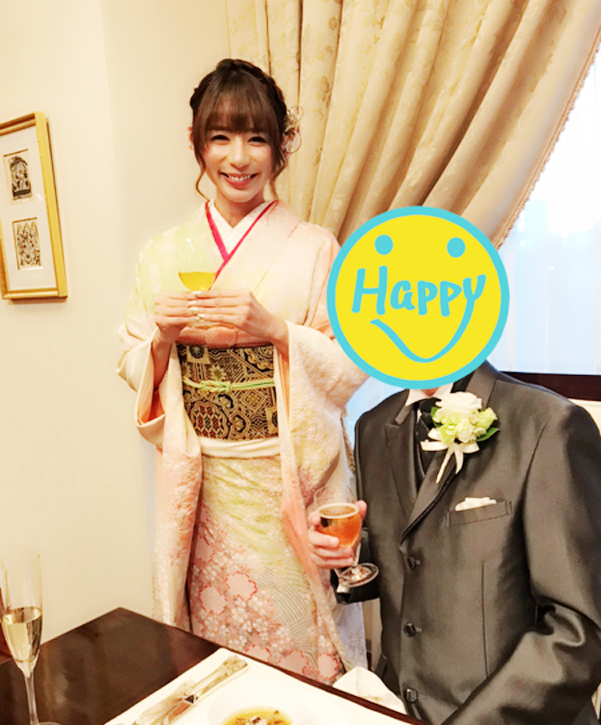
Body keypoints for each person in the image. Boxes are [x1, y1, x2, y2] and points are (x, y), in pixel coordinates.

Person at [118, 58, 367, 683]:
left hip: (288, 481)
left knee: (305, 658)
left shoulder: (315, 248)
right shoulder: (161, 254)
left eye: (256, 138)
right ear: (197, 143)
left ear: (282, 146)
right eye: (220, 137)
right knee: (216, 656)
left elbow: (347, 367)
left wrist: (277, 330)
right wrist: (161, 338)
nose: (238, 157)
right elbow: (129, 356)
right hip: (204, 490)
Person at [309, 360, 601, 722]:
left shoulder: (548, 423)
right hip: (397, 707)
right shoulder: (373, 426)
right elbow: (408, 556)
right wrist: (344, 557)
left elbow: (582, 633)